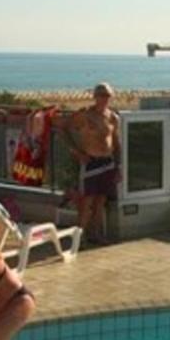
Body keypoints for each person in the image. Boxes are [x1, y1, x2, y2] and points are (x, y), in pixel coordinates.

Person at [65, 83, 121, 245]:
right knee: (86, 203)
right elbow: (64, 129)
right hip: (91, 163)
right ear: (95, 97)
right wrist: (77, 152)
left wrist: (118, 167)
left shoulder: (113, 117)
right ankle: (79, 239)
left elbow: (116, 144)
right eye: (101, 95)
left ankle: (95, 235)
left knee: (100, 202)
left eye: (107, 95)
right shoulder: (85, 115)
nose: (104, 98)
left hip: (107, 163)